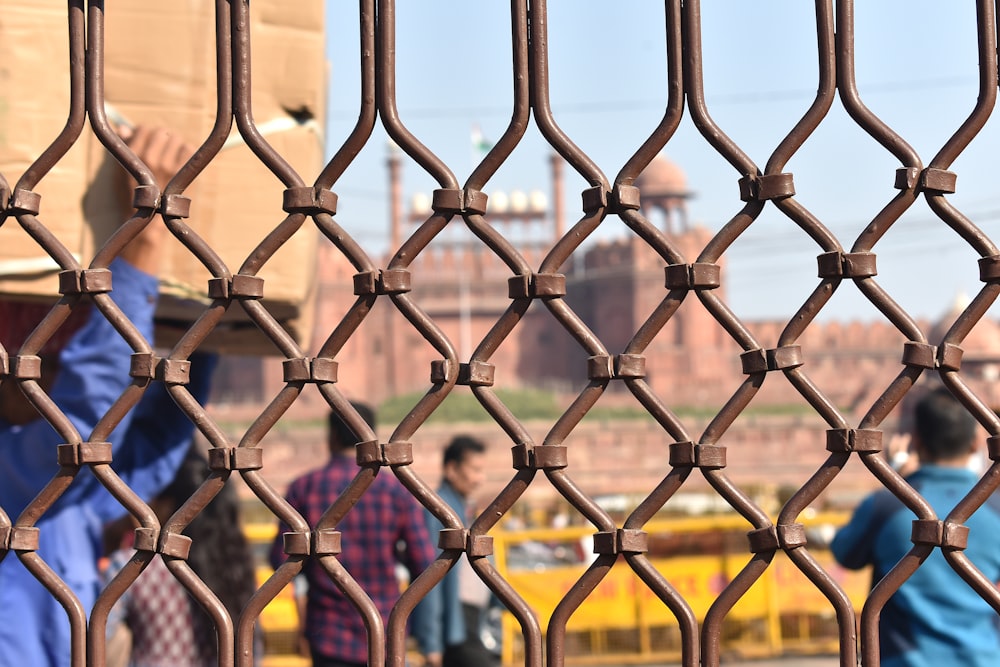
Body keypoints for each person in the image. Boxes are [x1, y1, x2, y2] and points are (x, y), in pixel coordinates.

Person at [0, 127, 212, 667]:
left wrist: (211, 323)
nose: (55, 369)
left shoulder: (68, 500)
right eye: (46, 355)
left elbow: (154, 446)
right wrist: (143, 244)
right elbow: (82, 420)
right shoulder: (20, 474)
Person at [831, 387, 1000, 666]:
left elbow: (846, 553)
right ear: (975, 444)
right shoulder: (994, 509)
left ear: (917, 441)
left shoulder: (886, 507)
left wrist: (898, 482)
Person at [269, 402, 436, 667]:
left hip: (327, 633)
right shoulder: (396, 492)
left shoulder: (303, 489)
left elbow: (280, 560)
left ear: (331, 436)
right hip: (385, 631)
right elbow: (426, 563)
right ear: (372, 439)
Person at [103, 446, 257, 667]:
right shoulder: (236, 566)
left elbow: (98, 639)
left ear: (169, 504)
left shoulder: (132, 567)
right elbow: (253, 649)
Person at [412, 435, 498, 667]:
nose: (481, 479)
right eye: (475, 470)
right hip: (456, 623)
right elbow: (429, 579)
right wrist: (432, 644)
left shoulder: (462, 509)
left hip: (468, 622)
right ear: (452, 469)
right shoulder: (439, 513)